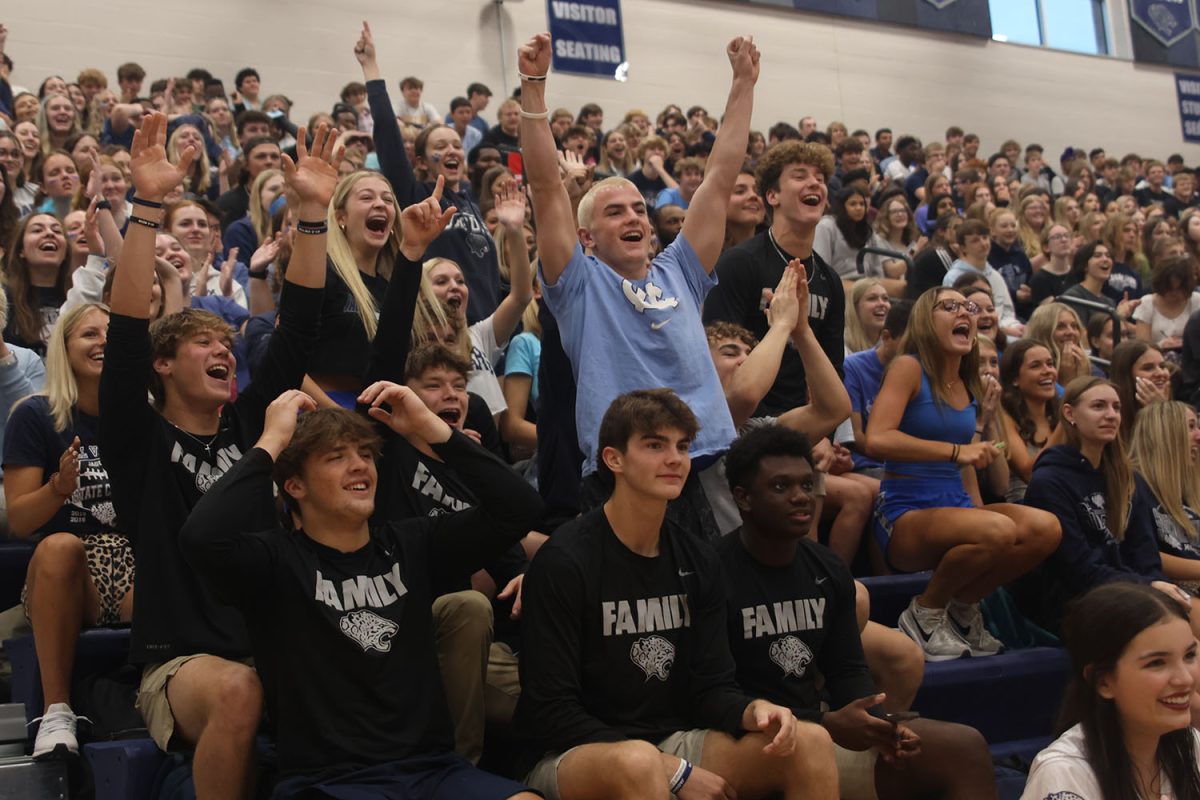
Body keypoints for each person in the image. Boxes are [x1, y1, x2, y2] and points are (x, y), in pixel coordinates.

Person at [99, 112, 336, 797]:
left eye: (227, 345)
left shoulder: (245, 424)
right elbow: (122, 332)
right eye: (204, 344)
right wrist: (146, 206)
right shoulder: (137, 438)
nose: (224, 352)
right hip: (181, 665)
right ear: (163, 366)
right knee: (237, 690)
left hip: (272, 648)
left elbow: (303, 328)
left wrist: (314, 215)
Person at [179, 388, 542, 799]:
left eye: (366, 455)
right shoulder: (273, 563)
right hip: (329, 783)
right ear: (295, 486)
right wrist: (271, 443)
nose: (359, 467)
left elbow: (520, 507)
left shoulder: (414, 543)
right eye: (336, 457)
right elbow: (200, 538)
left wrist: (428, 428)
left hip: (431, 771)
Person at [515, 389, 839, 800]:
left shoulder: (698, 557)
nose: (674, 458)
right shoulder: (565, 559)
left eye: (682, 446)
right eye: (655, 445)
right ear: (614, 459)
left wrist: (752, 710)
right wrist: (672, 769)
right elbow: (551, 710)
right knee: (638, 763)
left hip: (671, 741)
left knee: (809, 741)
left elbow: (711, 686)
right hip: (570, 752)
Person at [518, 32, 756, 486]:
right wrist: (533, 84)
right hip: (626, 470)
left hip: (706, 459)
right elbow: (547, 189)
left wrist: (743, 83)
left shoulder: (680, 270)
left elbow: (721, 177)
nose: (634, 217)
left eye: (638, 210)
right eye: (615, 211)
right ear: (585, 236)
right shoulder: (577, 285)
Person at [720, 424, 997, 800]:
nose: (801, 497)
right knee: (811, 743)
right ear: (744, 498)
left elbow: (848, 669)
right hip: (741, 737)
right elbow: (710, 693)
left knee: (964, 747)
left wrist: (879, 726)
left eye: (807, 484)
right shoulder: (712, 571)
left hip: (811, 727)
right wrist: (823, 721)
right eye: (781, 487)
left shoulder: (827, 567)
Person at [865, 287, 1061, 660]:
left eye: (969, 308)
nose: (965, 313)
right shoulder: (909, 367)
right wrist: (958, 451)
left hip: (953, 504)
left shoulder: (968, 384)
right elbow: (876, 438)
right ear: (926, 319)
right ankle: (923, 613)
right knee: (999, 529)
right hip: (905, 510)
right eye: (950, 307)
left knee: (1045, 529)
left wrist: (977, 506)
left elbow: (966, 464)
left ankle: (961, 609)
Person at [4, 304, 123, 759]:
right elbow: (20, 521)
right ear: (63, 348)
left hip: (130, 558)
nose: (103, 342)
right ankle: (57, 712)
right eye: (89, 334)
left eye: (111, 334)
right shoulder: (35, 415)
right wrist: (58, 488)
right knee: (60, 545)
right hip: (61, 572)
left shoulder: (141, 417)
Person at [1017, 377, 1194, 635]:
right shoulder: (1049, 482)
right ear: (1070, 414)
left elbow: (1146, 555)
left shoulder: (1127, 478)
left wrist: (1155, 586)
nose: (1111, 415)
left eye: (1116, 407)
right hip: (1080, 602)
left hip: (1136, 591)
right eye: (1099, 406)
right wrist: (1148, 587)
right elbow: (1077, 571)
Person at [357, 23, 502, 324]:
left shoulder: (471, 202)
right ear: (422, 161)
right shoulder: (415, 196)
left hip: (486, 338)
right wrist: (371, 68)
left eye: (456, 145)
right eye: (441, 146)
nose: (452, 151)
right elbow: (386, 132)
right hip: (440, 329)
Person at [705, 139, 845, 416]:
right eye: (800, 176)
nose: (815, 183)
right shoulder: (739, 263)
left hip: (804, 421)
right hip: (741, 418)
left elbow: (832, 370)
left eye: (820, 178)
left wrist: (822, 436)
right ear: (772, 196)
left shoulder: (830, 280)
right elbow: (718, 358)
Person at [1022, 582, 1200, 800]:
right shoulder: (1065, 775)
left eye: (1189, 656)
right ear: (1103, 682)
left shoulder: (1190, 745)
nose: (1185, 678)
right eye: (1156, 663)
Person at [1130, 401, 1200, 592]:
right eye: (1191, 427)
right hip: (1166, 588)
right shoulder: (1133, 484)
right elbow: (1142, 556)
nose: (1199, 436)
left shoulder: (1189, 487)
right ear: (1166, 434)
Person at [999, 339, 1060, 503]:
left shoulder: (1060, 414)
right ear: (1015, 379)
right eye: (1036, 366)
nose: (1047, 371)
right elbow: (1029, 473)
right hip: (1026, 503)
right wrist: (1063, 429)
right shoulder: (1005, 417)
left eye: (1050, 364)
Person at [4, 213, 71, 356]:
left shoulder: (77, 297)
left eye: (57, 231)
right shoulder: (4, 300)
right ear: (21, 250)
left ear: (66, 252)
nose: (49, 233)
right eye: (37, 230)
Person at [813, 186, 900, 294]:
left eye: (862, 204)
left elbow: (877, 265)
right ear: (841, 206)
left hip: (868, 281)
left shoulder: (867, 229)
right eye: (853, 204)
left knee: (904, 286)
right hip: (840, 282)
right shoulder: (826, 226)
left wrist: (880, 288)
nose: (859, 208)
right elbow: (821, 267)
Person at [1133, 255, 1200, 356]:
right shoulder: (1146, 303)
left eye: (1179, 289)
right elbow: (1141, 347)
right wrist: (1161, 345)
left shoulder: (1196, 300)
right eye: (1170, 288)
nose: (1174, 293)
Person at [1060, 241, 1139, 325]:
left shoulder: (1109, 302)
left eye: (1108, 256)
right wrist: (1117, 316)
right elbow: (1080, 335)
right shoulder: (1074, 297)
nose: (1105, 259)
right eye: (1097, 256)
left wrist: (1121, 317)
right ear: (1085, 266)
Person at [1111, 340, 1171, 441]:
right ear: (1127, 376)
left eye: (1162, 366)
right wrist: (1157, 410)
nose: (1160, 373)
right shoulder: (1113, 416)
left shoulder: (1181, 414)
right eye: (1148, 368)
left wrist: (1161, 409)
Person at [1025, 302, 1094, 386]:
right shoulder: (1031, 369)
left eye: (1074, 326)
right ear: (1042, 332)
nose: (1070, 332)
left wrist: (1084, 377)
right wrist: (1066, 381)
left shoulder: (1093, 369)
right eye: (1060, 326)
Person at [1028, 223, 1073, 306]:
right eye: (1057, 237)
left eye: (1066, 236)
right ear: (1046, 247)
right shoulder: (1040, 279)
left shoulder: (1078, 273)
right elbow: (1050, 312)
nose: (1063, 240)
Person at [844, 278, 890, 354]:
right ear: (854, 307)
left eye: (885, 299)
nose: (882, 304)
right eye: (872, 298)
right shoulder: (840, 344)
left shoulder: (892, 344)